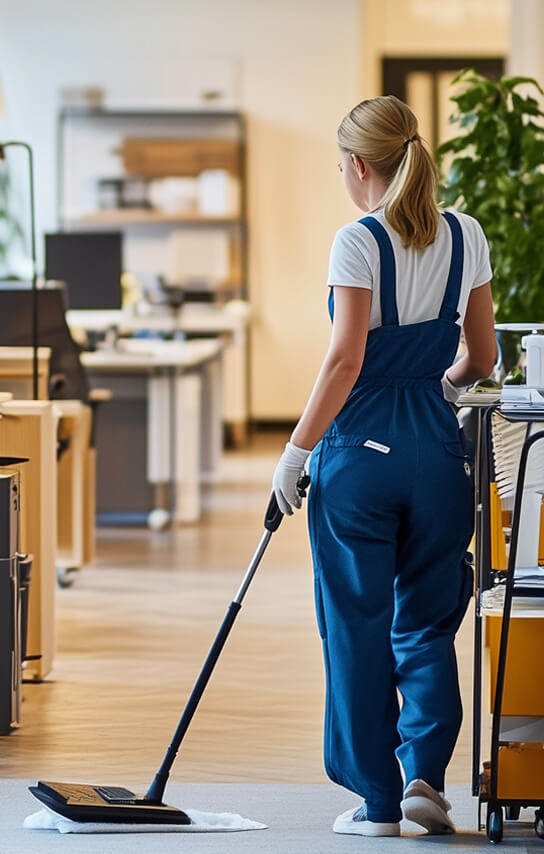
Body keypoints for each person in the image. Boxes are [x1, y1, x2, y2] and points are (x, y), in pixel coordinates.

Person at [271, 95, 496, 837]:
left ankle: (375, 803)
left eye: (340, 164)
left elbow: (345, 360)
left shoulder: (358, 240)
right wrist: (437, 388)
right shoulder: (467, 235)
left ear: (359, 165)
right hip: (436, 451)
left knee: (356, 627)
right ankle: (425, 779)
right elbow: (484, 357)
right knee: (429, 623)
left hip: (359, 453)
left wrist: (297, 450)